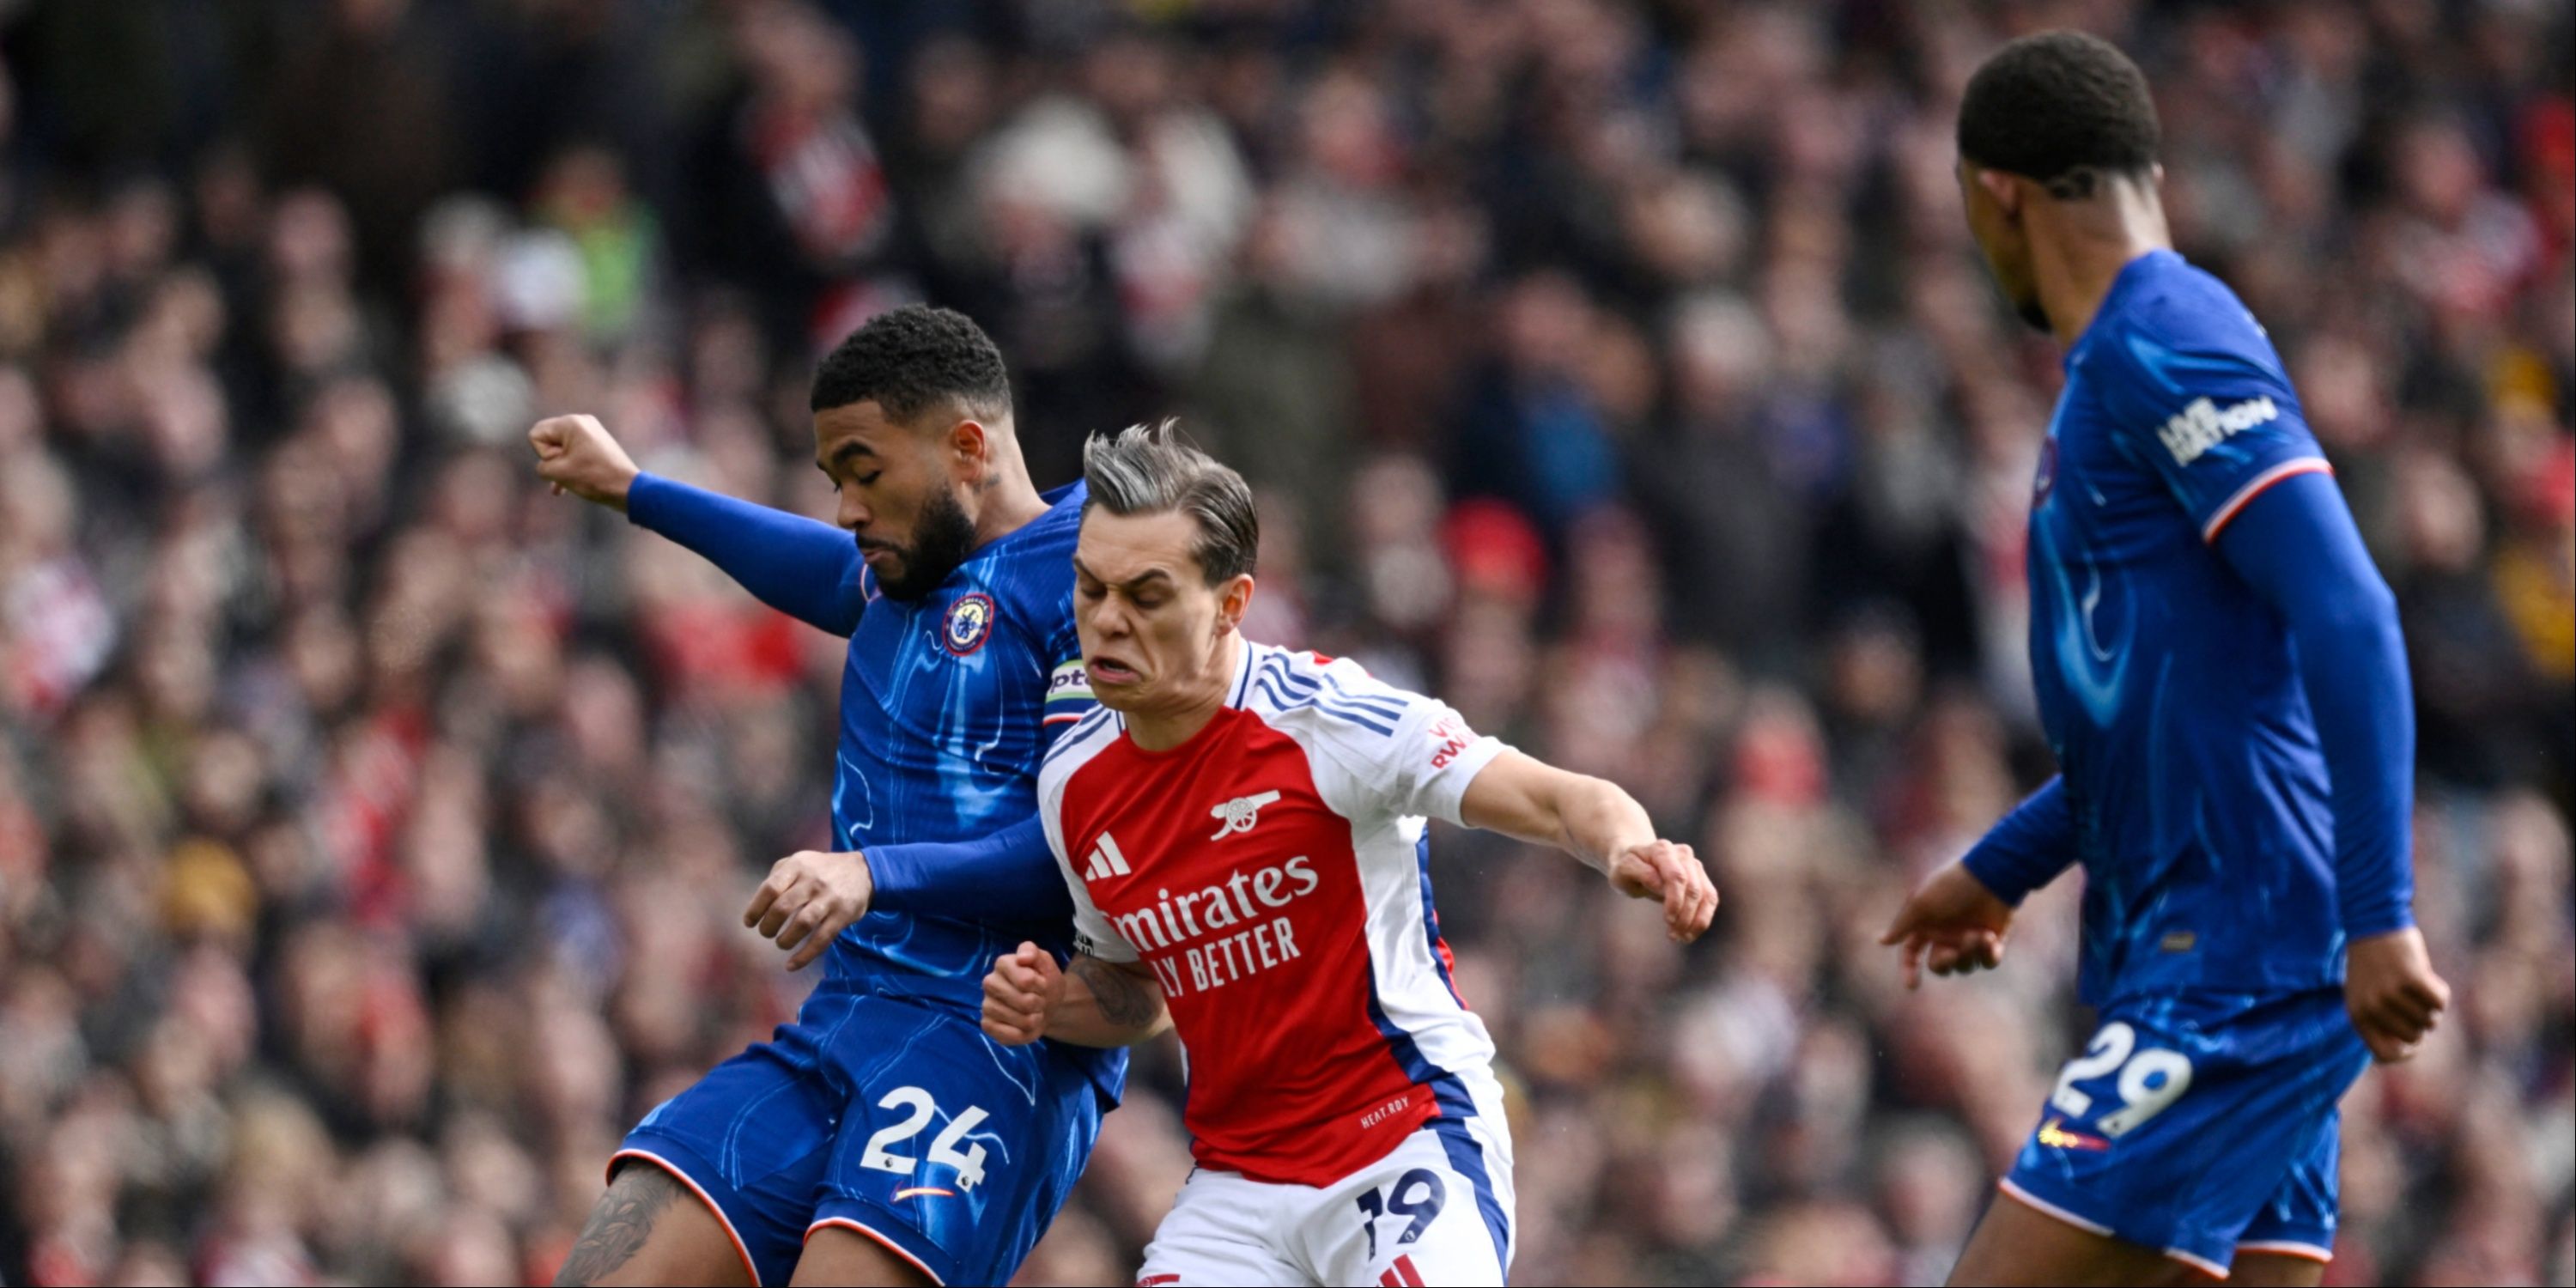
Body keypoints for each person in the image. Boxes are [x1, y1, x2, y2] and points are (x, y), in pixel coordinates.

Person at [1878, 32, 2453, 1287]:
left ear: (1998, 195)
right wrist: (2000, 868)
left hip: (2237, 962)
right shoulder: (2120, 370)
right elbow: (2166, 709)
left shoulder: (2163, 337)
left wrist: (2381, 916)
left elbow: (2348, 616)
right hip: (2221, 946)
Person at [978, 424, 1720, 1287]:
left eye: (1147, 595)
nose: (1106, 620)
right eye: (1091, 587)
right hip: (1236, 1184)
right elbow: (1139, 992)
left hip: (1401, 1133)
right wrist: (1054, 1002)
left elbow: (1559, 797)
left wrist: (1632, 845)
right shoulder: (1073, 782)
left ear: (1230, 603)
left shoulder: (1330, 720)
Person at [530, 306, 1121, 1287]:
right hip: (845, 1017)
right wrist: (633, 490)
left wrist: (870, 874)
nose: (848, 508)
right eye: (834, 481)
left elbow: (1086, 846)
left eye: (865, 471)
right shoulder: (911, 571)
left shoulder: (1095, 581)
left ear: (967, 448)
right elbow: (819, 570)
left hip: (993, 1039)